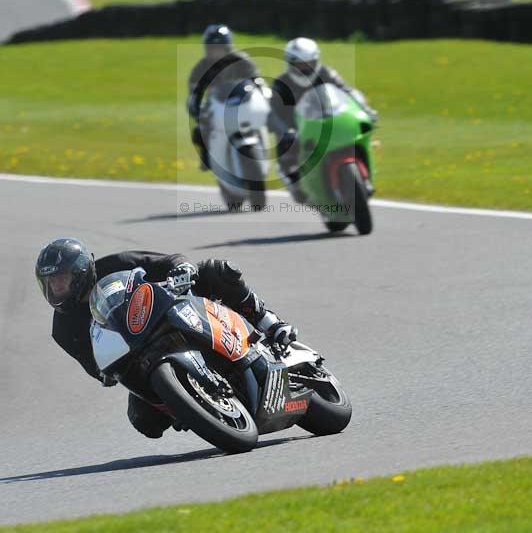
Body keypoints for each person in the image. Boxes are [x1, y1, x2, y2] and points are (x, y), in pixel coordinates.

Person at [36, 238, 297, 439]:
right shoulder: (63, 329)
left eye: (61, 279)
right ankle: (194, 404)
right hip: (139, 354)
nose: (56, 288)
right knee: (144, 421)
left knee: (215, 270)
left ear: (81, 272)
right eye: (50, 282)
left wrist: (181, 270)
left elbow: (168, 261)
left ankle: (270, 323)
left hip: (172, 309)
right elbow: (95, 367)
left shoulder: (115, 263)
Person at [269, 37, 378, 201]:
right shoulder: (281, 83)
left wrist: (366, 110)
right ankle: (295, 183)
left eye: (308, 64)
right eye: (298, 66)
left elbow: (348, 92)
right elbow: (273, 112)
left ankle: (364, 177)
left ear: (316, 60)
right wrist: (284, 131)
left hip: (328, 120)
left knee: (357, 137)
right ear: (289, 64)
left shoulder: (327, 73)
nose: (304, 69)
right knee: (288, 157)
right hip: (296, 129)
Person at [187, 24, 260, 170]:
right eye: (212, 49)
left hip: (242, 101)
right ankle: (206, 156)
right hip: (216, 103)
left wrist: (261, 94)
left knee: (270, 119)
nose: (216, 52)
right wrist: (197, 110)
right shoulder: (201, 67)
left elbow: (257, 81)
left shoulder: (242, 61)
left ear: (227, 47)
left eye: (219, 48)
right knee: (199, 131)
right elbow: (194, 93)